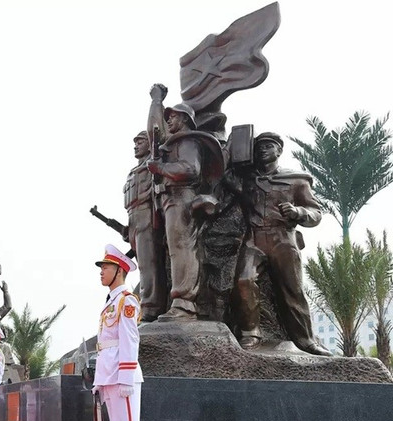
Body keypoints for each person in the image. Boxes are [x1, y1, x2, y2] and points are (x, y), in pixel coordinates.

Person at [232, 132, 331, 355]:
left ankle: (305, 340)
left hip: (283, 239)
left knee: (292, 289)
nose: (262, 150)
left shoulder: (297, 179)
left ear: (279, 150)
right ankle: (251, 334)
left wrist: (298, 212)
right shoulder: (246, 179)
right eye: (258, 147)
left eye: (268, 146)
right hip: (253, 239)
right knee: (244, 279)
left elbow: (316, 213)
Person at [146, 84, 223, 320]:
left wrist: (161, 167)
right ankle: (179, 301)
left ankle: (185, 304)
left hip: (183, 197)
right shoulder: (174, 142)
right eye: (168, 117)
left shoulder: (188, 142)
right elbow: (154, 131)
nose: (169, 121)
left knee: (182, 250)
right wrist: (156, 102)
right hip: (170, 199)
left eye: (173, 117)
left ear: (185, 120)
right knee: (175, 251)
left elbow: (190, 170)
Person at [93, 244, 142, 421]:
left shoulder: (126, 301)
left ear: (120, 271)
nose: (102, 272)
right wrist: (99, 380)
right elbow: (106, 345)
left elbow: (129, 340)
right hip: (109, 375)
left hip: (124, 378)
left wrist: (125, 376)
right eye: (102, 267)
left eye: (106, 268)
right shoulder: (111, 302)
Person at [124, 130, 167, 321]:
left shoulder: (152, 165)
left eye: (140, 141)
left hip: (148, 215)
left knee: (149, 264)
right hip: (134, 218)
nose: (135, 145)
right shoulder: (134, 171)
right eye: (135, 142)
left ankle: (150, 307)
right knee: (143, 264)